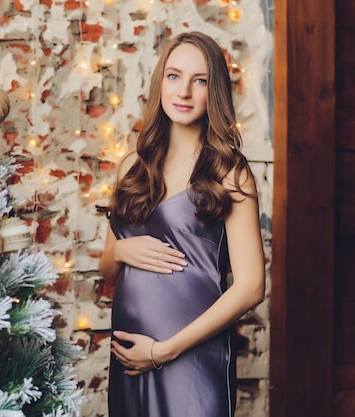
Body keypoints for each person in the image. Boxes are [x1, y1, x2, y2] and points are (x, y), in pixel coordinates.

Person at [98, 31, 266, 417]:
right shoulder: (132, 166)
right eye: (174, 76)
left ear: (215, 91)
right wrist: (121, 249)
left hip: (189, 359)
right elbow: (110, 270)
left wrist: (162, 351)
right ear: (160, 82)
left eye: (200, 80)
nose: (184, 91)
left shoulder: (229, 172)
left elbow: (252, 286)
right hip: (130, 358)